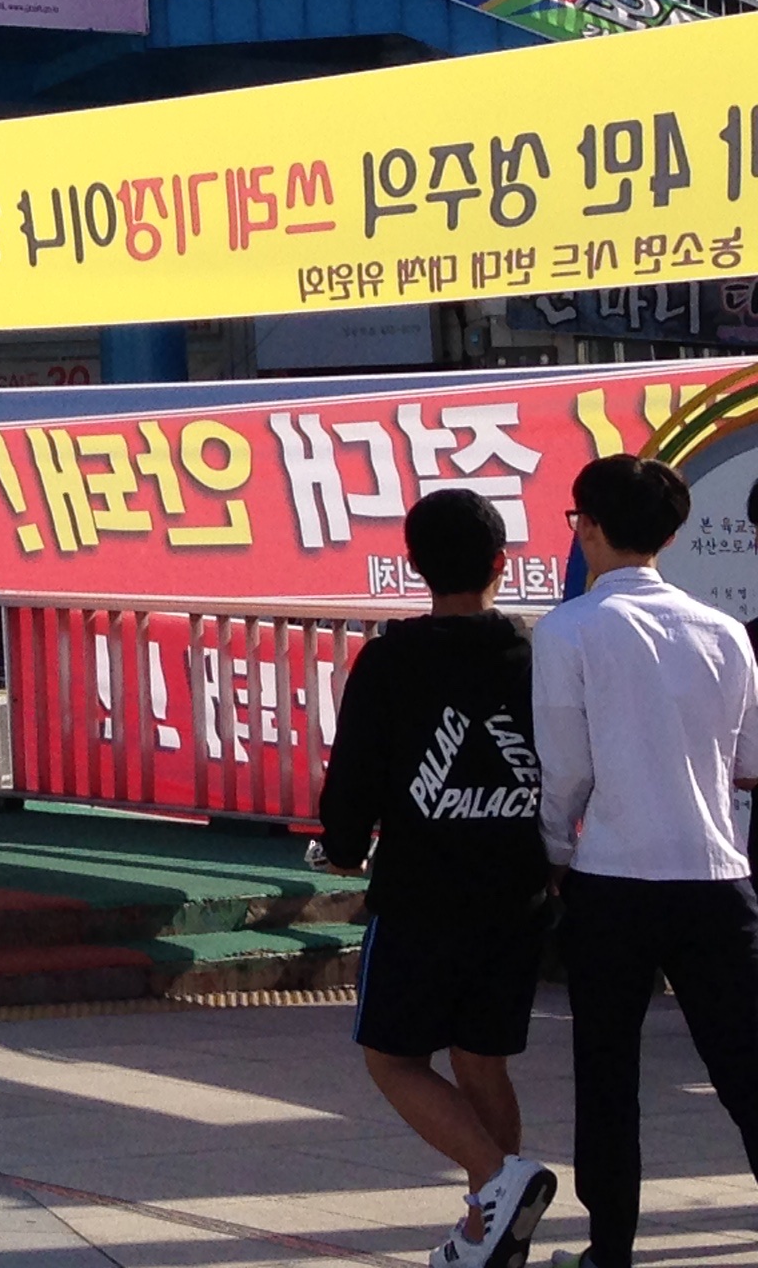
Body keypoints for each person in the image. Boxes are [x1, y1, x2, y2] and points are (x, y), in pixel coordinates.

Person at [321, 487, 557, 1268]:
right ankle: (493, 1230)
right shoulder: (538, 656)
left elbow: (353, 777)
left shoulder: (391, 661)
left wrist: (344, 847)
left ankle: (499, 1180)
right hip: (518, 890)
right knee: (482, 1059)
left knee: (393, 1058)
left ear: (415, 567)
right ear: (501, 564)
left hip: (421, 894)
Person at [533, 452, 758, 1268]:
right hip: (717, 878)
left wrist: (555, 854)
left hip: (614, 881)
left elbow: (565, 770)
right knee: (746, 1070)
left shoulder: (569, 629)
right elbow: (747, 763)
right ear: (669, 534)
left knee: (607, 1077)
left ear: (589, 526)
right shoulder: (725, 632)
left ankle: (609, 1251)